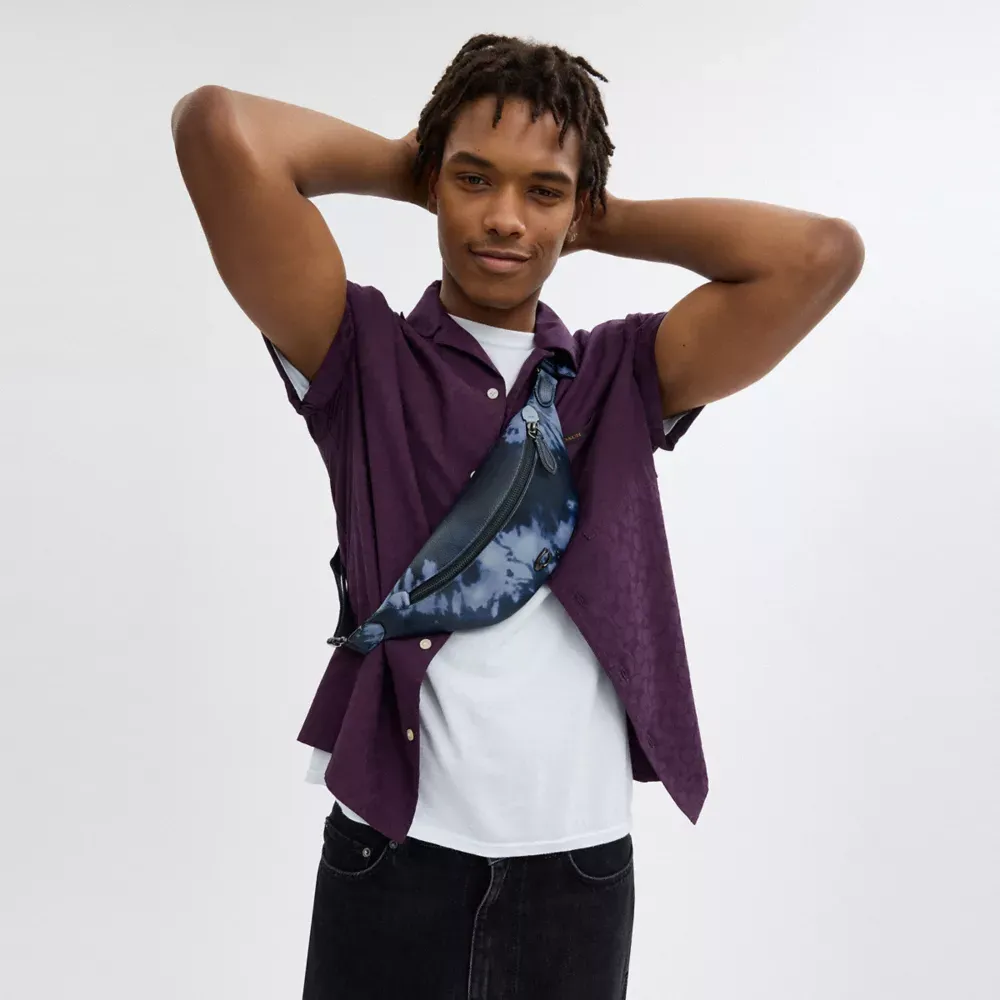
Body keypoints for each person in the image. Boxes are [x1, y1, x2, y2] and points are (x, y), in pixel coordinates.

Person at [171, 32, 864, 1000]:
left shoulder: (621, 375)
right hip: (392, 849)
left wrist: (590, 214)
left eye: (542, 191)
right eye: (473, 181)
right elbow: (219, 128)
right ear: (435, 184)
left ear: (576, 208)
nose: (503, 217)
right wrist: (417, 168)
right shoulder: (358, 351)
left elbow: (820, 254)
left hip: (576, 869)